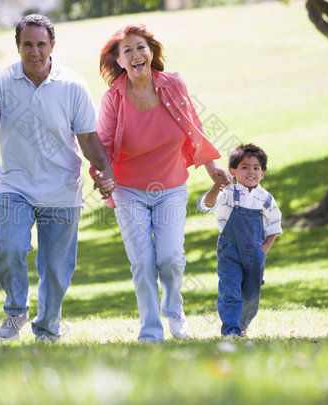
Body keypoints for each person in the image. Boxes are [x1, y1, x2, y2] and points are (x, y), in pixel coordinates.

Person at [0, 14, 115, 343]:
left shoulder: (72, 84)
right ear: (18, 46)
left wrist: (105, 171)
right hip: (15, 185)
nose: (34, 51)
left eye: (41, 44)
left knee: (57, 268)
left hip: (62, 187)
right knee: (9, 248)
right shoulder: (1, 82)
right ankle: (16, 309)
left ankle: (47, 329)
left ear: (53, 45)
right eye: (27, 45)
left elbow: (89, 139)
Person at [95, 24, 230, 342]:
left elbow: (192, 125)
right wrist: (102, 177)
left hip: (170, 186)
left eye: (140, 47)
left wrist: (211, 167)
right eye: (126, 50)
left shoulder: (173, 85)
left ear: (152, 52)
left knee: (170, 258)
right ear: (120, 61)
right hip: (129, 190)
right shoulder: (114, 97)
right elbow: (102, 144)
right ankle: (151, 330)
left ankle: (174, 309)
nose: (135, 54)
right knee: (142, 262)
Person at [197, 143, 282, 337]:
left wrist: (264, 250)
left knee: (251, 295)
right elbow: (205, 205)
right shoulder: (227, 193)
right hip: (230, 252)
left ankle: (242, 324)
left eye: (256, 168)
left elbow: (274, 226)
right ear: (233, 171)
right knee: (231, 291)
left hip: (255, 253)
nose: (250, 172)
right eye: (244, 167)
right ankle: (231, 330)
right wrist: (217, 185)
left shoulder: (266, 199)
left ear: (263, 173)